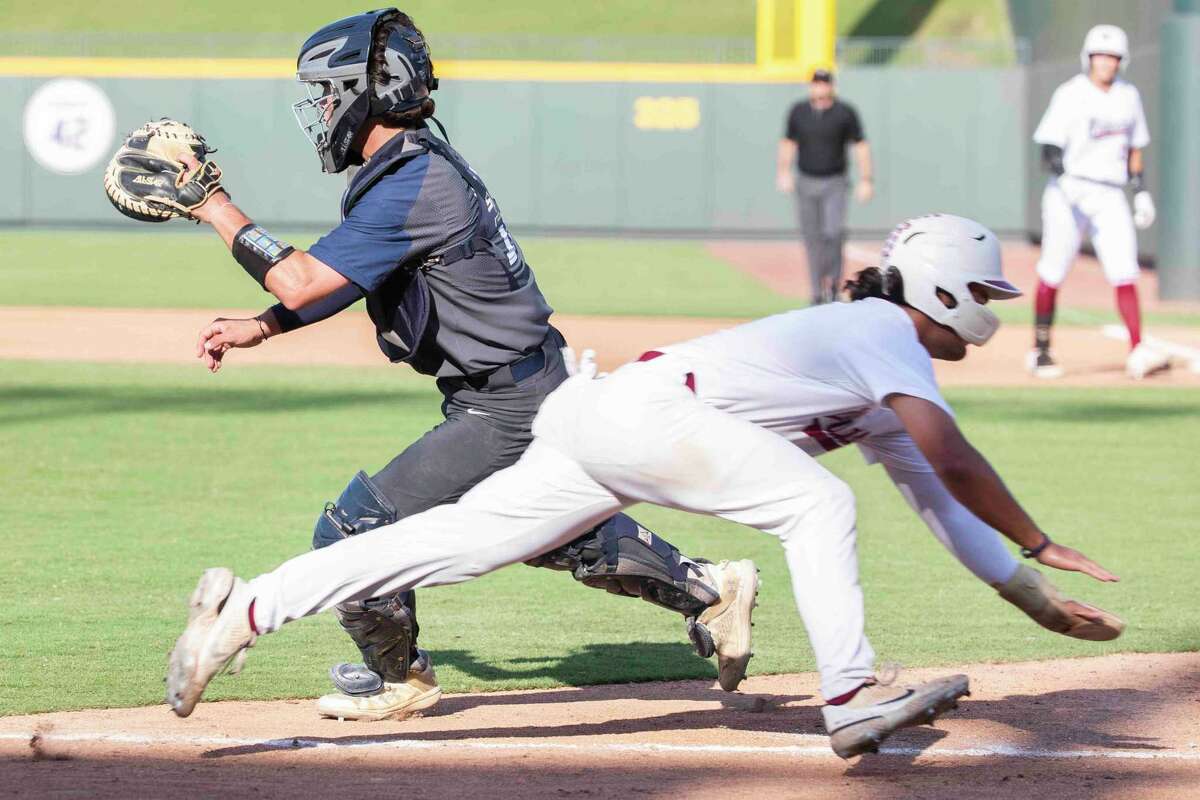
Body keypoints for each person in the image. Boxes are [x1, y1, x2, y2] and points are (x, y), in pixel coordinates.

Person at [167, 214, 1121, 759]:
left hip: (597, 416)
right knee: (818, 504)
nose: (989, 309)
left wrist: (1029, 596)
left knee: (447, 543)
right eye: (987, 292)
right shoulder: (880, 332)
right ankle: (852, 694)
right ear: (945, 289)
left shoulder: (878, 373)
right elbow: (955, 458)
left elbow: (941, 498)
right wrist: (1039, 544)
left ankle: (244, 610)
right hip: (636, 418)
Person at [179, 8, 758, 721]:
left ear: (373, 90)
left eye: (330, 92)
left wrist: (212, 205)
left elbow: (300, 278)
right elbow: (339, 280)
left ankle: (404, 680)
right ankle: (712, 589)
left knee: (353, 534)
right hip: (529, 386)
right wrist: (264, 327)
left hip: (508, 403)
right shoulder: (414, 168)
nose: (323, 108)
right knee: (546, 531)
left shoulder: (412, 184)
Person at [1029, 24, 1168, 380]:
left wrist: (1141, 191)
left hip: (1109, 192)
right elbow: (1048, 145)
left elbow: (1135, 148)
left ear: (1122, 61)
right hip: (1068, 189)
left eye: (1113, 57)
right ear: (1088, 58)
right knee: (1053, 269)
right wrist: (1061, 176)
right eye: (1100, 55)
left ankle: (1136, 349)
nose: (1106, 62)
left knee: (1124, 270)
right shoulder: (1071, 93)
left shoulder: (1128, 96)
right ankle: (1041, 349)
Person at [776, 68, 874, 306]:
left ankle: (833, 285)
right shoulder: (799, 112)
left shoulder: (844, 113)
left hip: (834, 182)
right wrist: (783, 171)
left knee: (833, 232)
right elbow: (788, 142)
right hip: (806, 180)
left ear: (831, 86)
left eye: (824, 83)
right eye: (816, 83)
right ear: (811, 86)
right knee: (812, 238)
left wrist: (866, 179)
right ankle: (816, 292)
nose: (820, 87)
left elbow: (860, 145)